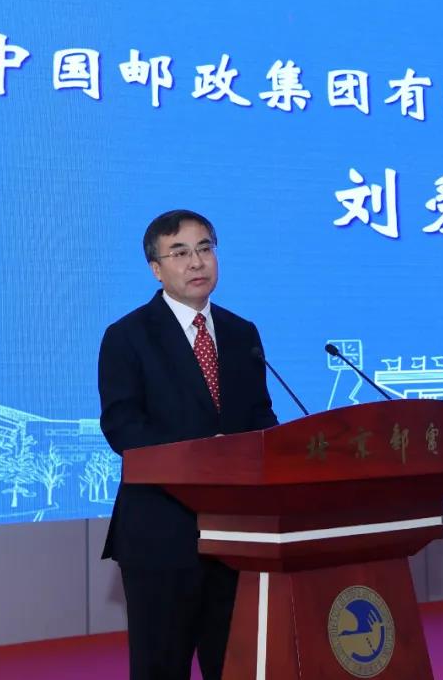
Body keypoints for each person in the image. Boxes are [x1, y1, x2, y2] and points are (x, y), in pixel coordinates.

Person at [98, 210, 279, 680]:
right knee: (161, 668)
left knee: (237, 667)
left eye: (205, 249)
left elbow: (260, 417)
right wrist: (204, 453)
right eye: (179, 253)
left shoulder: (241, 333)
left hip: (236, 535)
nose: (196, 262)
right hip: (162, 534)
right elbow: (123, 427)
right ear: (156, 269)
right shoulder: (127, 337)